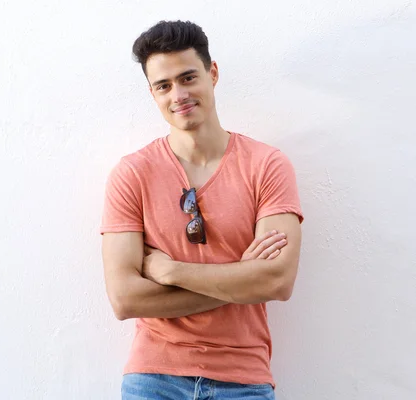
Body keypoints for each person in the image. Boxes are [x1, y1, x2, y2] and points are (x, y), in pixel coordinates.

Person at [100, 20, 303, 400]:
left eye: (188, 77)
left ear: (212, 73)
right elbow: (126, 299)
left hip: (243, 381)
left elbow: (277, 282)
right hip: (154, 379)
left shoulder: (266, 165)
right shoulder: (132, 174)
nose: (178, 94)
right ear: (152, 93)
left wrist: (172, 271)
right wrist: (243, 278)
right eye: (163, 85)